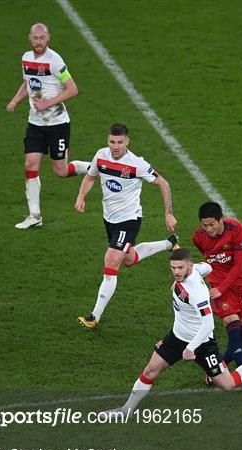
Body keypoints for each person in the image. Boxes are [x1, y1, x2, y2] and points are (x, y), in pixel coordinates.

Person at [98, 248, 242, 421]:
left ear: (189, 265)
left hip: (201, 343)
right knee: (150, 370)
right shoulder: (194, 270)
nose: (177, 272)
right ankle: (126, 410)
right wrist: (184, 277)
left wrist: (190, 348)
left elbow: (208, 324)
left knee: (227, 384)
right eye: (173, 268)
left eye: (181, 268)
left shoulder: (196, 292)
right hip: (177, 336)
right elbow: (207, 267)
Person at [75, 123, 178, 330]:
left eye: (120, 142)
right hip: (109, 220)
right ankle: (169, 244)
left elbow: (163, 183)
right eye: (112, 141)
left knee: (111, 261)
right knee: (129, 259)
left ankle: (94, 317)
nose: (115, 146)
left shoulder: (137, 164)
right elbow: (90, 176)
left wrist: (168, 213)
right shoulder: (101, 156)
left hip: (129, 220)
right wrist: (81, 197)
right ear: (108, 140)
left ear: (127, 141)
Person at [6, 23, 90, 229]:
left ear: (48, 38)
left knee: (60, 171)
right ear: (29, 37)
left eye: (42, 38)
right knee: (30, 165)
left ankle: (95, 168)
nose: (38, 42)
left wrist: (47, 103)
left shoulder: (54, 60)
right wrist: (15, 100)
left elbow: (72, 89)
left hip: (57, 124)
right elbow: (27, 82)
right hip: (35, 123)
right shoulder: (26, 58)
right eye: (35, 38)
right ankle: (35, 216)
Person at [192, 202, 242, 393]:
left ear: (221, 220)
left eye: (212, 224)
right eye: (205, 225)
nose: (208, 229)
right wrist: (218, 287)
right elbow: (211, 259)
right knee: (235, 333)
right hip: (218, 285)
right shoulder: (198, 237)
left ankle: (217, 369)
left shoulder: (237, 230)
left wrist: (223, 287)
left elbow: (239, 265)